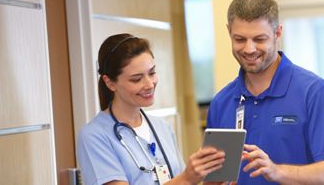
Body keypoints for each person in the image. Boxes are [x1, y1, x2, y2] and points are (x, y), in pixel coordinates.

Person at [206, 0, 324, 184]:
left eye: (259, 39)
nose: (249, 49)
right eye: (240, 39)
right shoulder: (221, 102)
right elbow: (214, 178)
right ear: (229, 32)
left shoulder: (315, 92)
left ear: (277, 33)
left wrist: (277, 172)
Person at [77, 33, 226, 185]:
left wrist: (213, 180)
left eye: (152, 73)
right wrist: (187, 178)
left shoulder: (161, 127)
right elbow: (183, 181)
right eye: (136, 79)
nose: (149, 84)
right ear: (110, 83)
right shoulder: (94, 136)